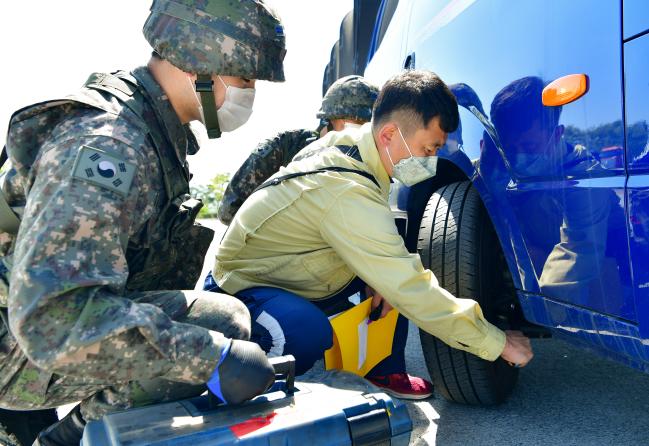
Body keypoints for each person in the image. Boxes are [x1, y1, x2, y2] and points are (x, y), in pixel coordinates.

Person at [0, 1, 287, 444]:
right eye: (245, 78)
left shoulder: (150, 127)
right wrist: (211, 358)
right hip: (21, 338)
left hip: (23, 326)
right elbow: (52, 317)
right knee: (218, 325)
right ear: (202, 65)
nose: (249, 92)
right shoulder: (110, 144)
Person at [206, 70, 534, 400]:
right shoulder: (345, 190)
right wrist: (497, 342)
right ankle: (244, 389)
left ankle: (380, 372)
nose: (431, 161)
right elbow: (410, 287)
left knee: (390, 271)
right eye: (427, 149)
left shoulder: (356, 147)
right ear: (390, 134)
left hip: (294, 269)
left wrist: (384, 276)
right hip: (241, 288)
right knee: (308, 329)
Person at [217, 75, 379, 225]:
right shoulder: (283, 148)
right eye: (358, 123)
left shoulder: (364, 165)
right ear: (336, 120)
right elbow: (229, 210)